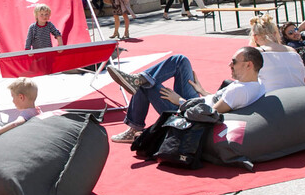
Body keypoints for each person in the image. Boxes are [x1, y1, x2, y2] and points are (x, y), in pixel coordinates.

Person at [107, 47, 265, 143]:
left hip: (188, 115)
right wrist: (202, 91)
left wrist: (180, 101)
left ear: (248, 65)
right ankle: (138, 80)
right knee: (180, 60)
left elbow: (208, 114)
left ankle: (134, 126)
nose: (229, 64)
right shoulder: (257, 84)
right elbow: (222, 101)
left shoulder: (240, 90)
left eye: (234, 61)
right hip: (197, 102)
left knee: (148, 84)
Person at [247, 15, 305, 90]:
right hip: (300, 93)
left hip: (275, 95)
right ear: (275, 34)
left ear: (255, 37)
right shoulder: (292, 51)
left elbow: (246, 83)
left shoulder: (256, 54)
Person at [0, 77, 42, 146]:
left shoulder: (27, 113)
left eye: (13, 97)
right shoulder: (38, 110)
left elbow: (14, 124)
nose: (12, 101)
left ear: (21, 97)